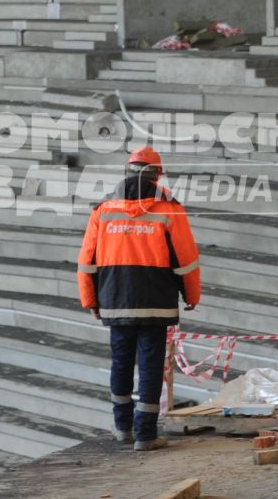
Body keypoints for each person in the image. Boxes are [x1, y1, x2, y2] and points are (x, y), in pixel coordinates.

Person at [77, 146, 201, 452]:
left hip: (115, 299)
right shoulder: (170, 210)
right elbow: (186, 260)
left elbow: (86, 261)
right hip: (156, 301)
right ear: (157, 174)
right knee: (149, 366)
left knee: (121, 363)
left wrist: (91, 300)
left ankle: (123, 429)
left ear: (127, 172)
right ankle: (145, 435)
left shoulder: (103, 210)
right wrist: (192, 294)